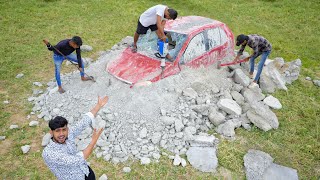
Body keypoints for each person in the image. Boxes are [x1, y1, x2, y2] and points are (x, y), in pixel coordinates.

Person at [42, 96, 109, 180]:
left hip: (85, 171)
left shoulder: (68, 134)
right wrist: (93, 141)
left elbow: (82, 123)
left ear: (67, 129)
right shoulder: (49, 153)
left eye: (64, 129)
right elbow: (78, 159)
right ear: (51, 132)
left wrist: (98, 105)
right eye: (57, 131)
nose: (62, 134)